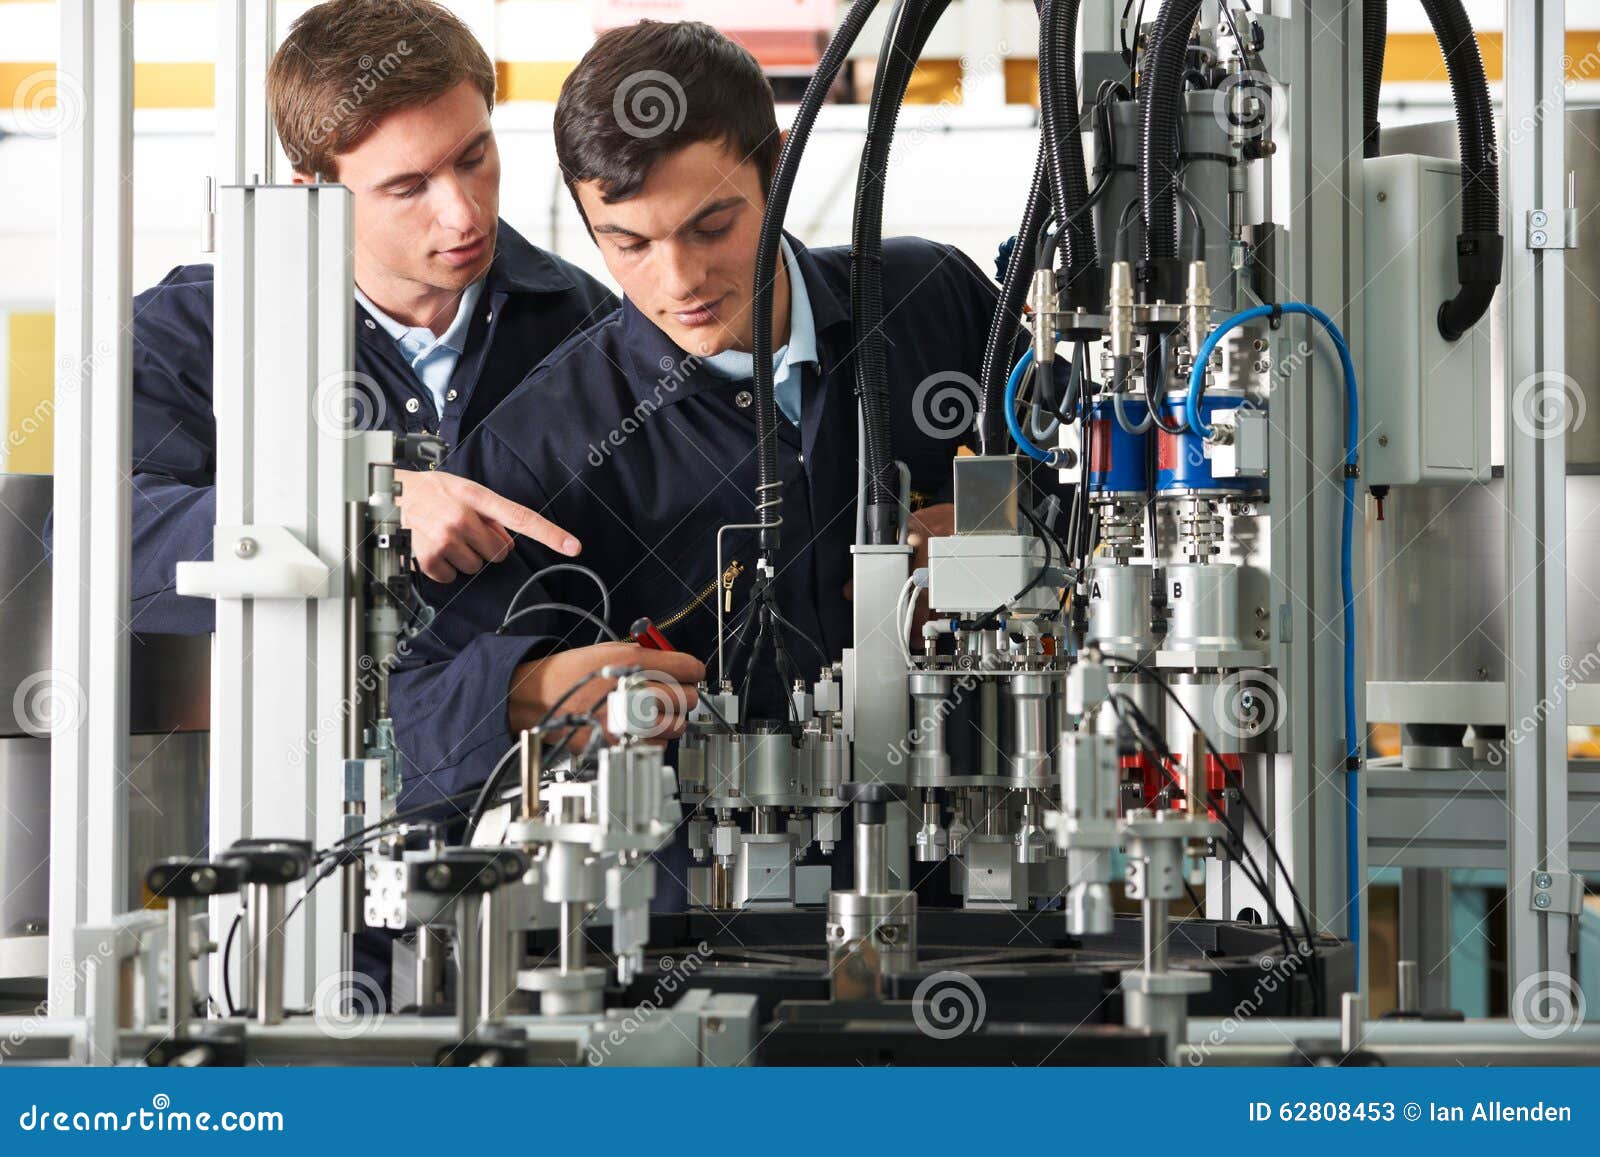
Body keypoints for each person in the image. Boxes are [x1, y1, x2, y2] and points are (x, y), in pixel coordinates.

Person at [390, 23, 1029, 904]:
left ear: (774, 169)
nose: (679, 278)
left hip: (976, 886)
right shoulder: (539, 444)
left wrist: (1010, 530)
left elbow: (1104, 489)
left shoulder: (932, 305)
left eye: (712, 225)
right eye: (630, 245)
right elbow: (416, 710)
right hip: (695, 931)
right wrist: (531, 690)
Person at [99, 0, 618, 634]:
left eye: (473, 157)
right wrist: (363, 510)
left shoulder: (587, 325)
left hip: (530, 729)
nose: (464, 214)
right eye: (407, 187)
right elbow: (104, 538)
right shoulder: (198, 330)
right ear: (311, 191)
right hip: (284, 730)